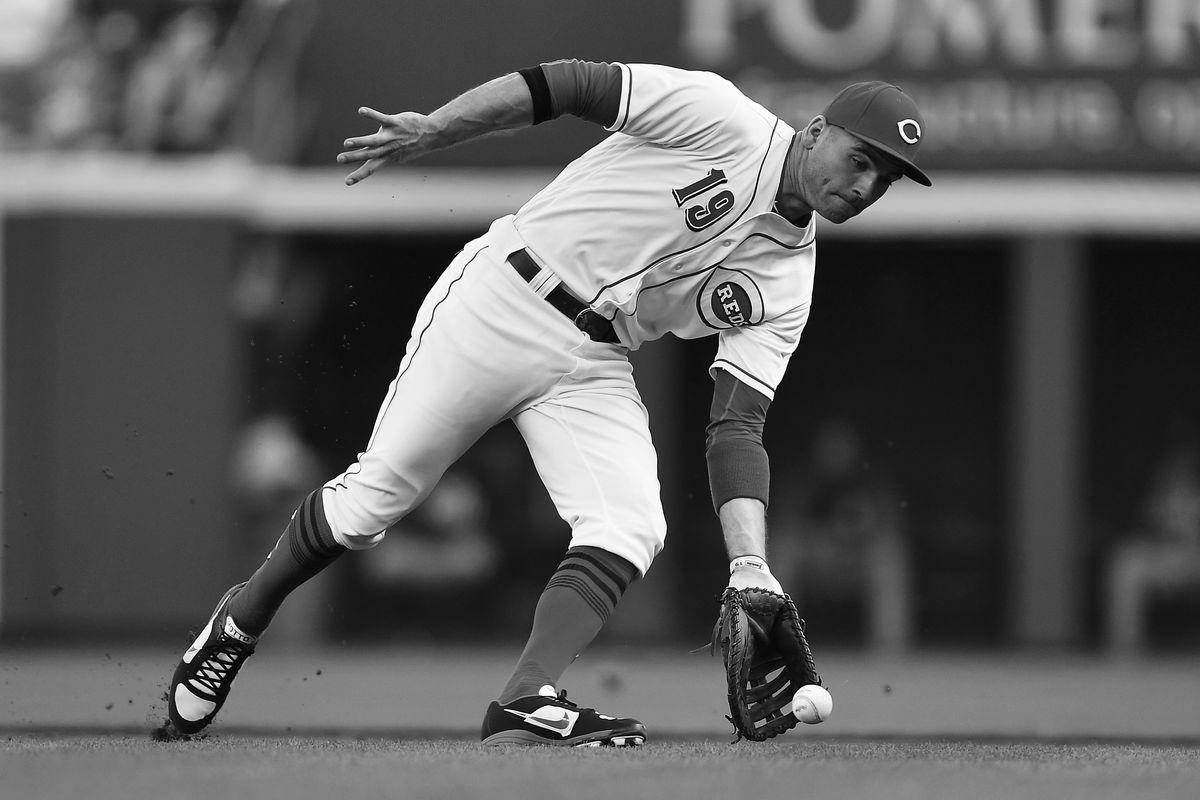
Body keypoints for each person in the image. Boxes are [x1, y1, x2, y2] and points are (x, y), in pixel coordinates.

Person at [163, 60, 931, 746]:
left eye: (885, 179)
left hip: (595, 357)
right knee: (374, 503)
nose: (864, 187)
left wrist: (752, 565)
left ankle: (526, 696)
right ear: (819, 129)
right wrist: (437, 128)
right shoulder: (721, 116)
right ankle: (235, 626)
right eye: (861, 160)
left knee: (632, 524)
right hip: (506, 294)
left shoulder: (789, 284)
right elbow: (567, 84)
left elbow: (738, 426)